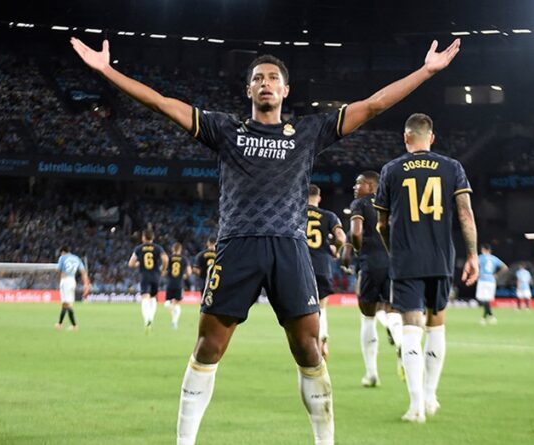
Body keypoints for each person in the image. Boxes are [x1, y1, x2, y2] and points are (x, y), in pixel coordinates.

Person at [72, 35, 460, 445]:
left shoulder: (308, 131)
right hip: (236, 245)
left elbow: (373, 105)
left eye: (273, 78)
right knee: (207, 347)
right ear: (249, 90)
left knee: (309, 350)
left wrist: (426, 71)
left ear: (285, 90)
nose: (266, 83)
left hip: (289, 247)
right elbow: (162, 103)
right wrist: (107, 70)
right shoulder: (225, 129)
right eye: (258, 78)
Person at [375, 113, 479, 423]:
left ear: (406, 138)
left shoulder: (391, 170)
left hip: (406, 260)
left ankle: (416, 406)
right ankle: (432, 396)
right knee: (436, 325)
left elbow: (381, 224)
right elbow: (465, 215)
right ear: (431, 138)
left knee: (410, 328)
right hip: (440, 258)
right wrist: (472, 255)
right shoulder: (452, 167)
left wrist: (394, 251)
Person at [343, 171, 397, 387]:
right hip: (393, 262)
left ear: (371, 186)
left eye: (359, 183)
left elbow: (356, 233)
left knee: (368, 316)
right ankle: (400, 340)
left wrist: (358, 251)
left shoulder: (360, 204)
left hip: (371, 262)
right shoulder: (391, 201)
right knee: (391, 310)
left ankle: (371, 373)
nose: (355, 188)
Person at [306, 184, 346, 359]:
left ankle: (309, 345)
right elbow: (341, 238)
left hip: (301, 266)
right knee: (322, 307)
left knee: (304, 309)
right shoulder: (329, 216)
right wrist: (335, 251)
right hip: (322, 266)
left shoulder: (296, 214)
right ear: (319, 198)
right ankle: (323, 339)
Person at [128, 228, 169, 333]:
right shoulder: (158, 248)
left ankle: (147, 320)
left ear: (143, 238)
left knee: (145, 297)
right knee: (153, 297)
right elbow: (165, 259)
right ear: (152, 237)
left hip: (144, 275)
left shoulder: (139, 248)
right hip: (156, 275)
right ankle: (151, 318)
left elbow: (131, 264)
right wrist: (163, 270)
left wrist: (139, 263)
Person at [55, 246, 91, 331]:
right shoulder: (76, 258)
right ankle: (60, 324)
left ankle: (74, 325)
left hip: (65, 281)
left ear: (63, 252)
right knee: (65, 303)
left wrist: (59, 281)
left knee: (67, 304)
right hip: (72, 281)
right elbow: (83, 272)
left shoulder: (62, 258)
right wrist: (86, 284)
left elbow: (58, 270)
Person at [476, 244, 508, 325]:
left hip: (483, 279)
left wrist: (477, 274)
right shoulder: (494, 258)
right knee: (486, 300)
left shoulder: (481, 257)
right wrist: (497, 275)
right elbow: (505, 267)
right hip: (491, 280)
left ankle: (488, 316)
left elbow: (475, 265)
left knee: (483, 299)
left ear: (483, 250)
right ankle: (487, 317)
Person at [166, 242, 192, 330]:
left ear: (173, 249)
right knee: (176, 303)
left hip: (170, 283)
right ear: (180, 249)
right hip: (179, 284)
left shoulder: (169, 258)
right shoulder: (184, 259)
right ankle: (174, 322)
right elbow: (189, 272)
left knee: (168, 303)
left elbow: (164, 269)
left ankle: (174, 321)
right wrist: (185, 276)